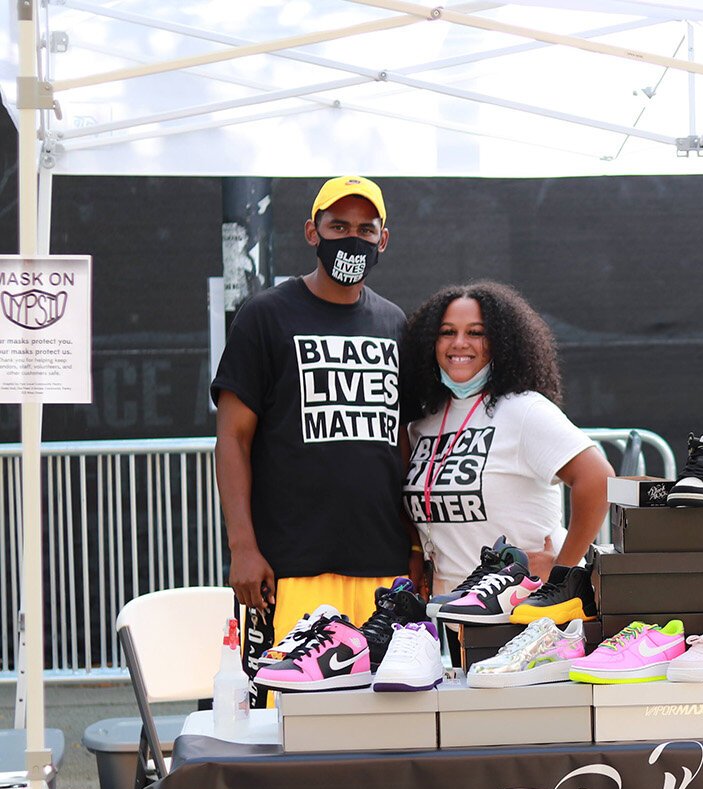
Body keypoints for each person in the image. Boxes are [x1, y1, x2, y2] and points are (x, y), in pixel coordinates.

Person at [212, 175, 413, 673]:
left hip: (382, 571)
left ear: (383, 240)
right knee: (293, 726)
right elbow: (232, 438)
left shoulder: (394, 323)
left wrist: (413, 548)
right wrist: (243, 547)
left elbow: (404, 443)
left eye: (366, 230)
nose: (353, 238)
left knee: (381, 720)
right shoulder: (265, 317)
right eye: (338, 225)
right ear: (311, 232)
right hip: (290, 569)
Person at [398, 280, 612, 597]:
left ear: (500, 342)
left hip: (524, 605)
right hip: (455, 607)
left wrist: (562, 573)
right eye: (447, 332)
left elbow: (598, 478)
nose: (459, 343)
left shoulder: (524, 410)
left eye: (475, 333)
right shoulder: (424, 423)